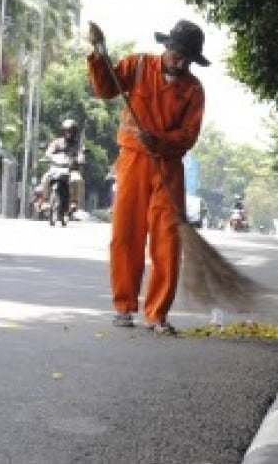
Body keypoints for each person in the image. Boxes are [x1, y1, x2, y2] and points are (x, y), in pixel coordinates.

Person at [86, 19, 207, 335]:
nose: (180, 62)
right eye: (177, 54)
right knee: (125, 235)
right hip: (133, 162)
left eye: (188, 58)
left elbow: (188, 135)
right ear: (166, 47)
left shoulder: (193, 90)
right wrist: (99, 53)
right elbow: (105, 88)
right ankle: (124, 307)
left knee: (167, 240)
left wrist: (161, 142)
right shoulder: (138, 65)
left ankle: (157, 314)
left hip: (168, 167)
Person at [40, 119, 86, 211]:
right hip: (56, 168)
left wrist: (80, 159)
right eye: (67, 131)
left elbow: (81, 154)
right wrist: (48, 156)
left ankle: (73, 201)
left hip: (71, 170)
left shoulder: (78, 145)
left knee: (76, 180)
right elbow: (49, 152)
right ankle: (45, 201)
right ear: (63, 131)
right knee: (45, 178)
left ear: (75, 132)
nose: (69, 133)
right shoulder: (56, 142)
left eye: (71, 131)